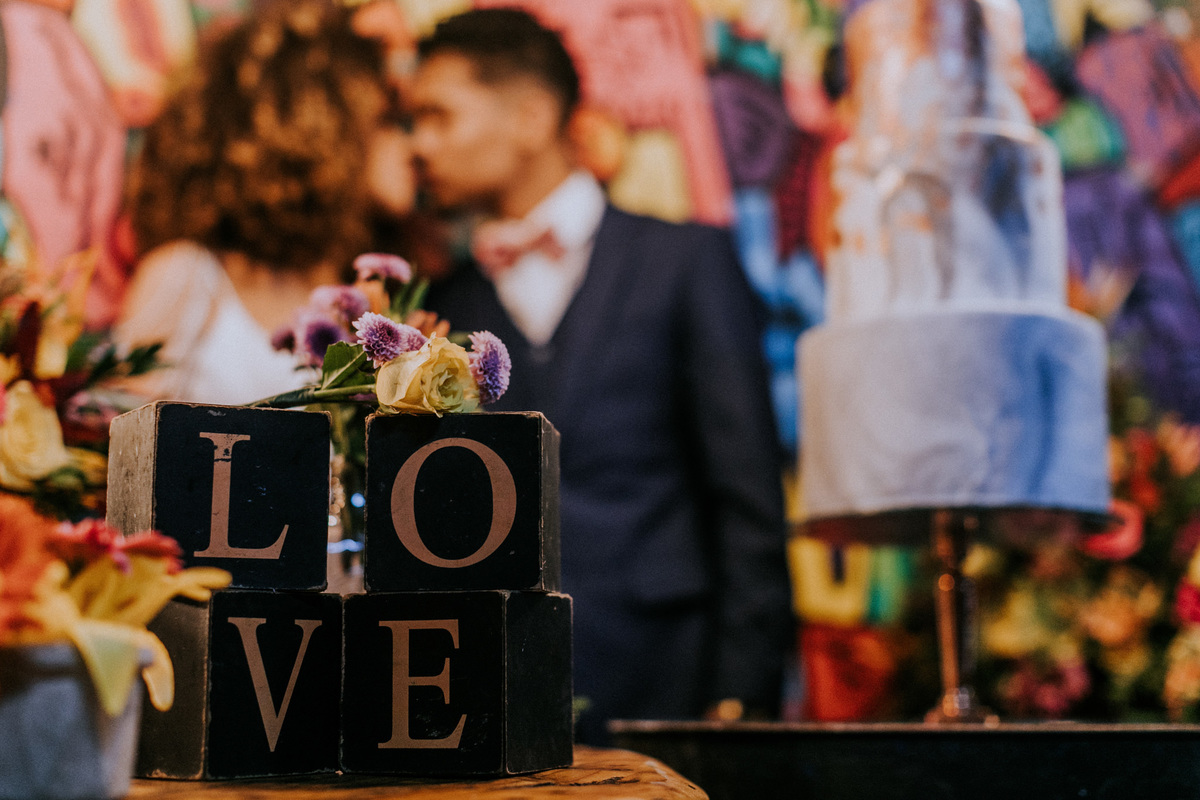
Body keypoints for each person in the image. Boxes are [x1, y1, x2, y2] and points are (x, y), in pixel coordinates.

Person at [409, 8, 793, 743]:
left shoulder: (686, 262)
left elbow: (748, 500)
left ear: (532, 117)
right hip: (494, 702)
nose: (419, 144)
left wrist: (741, 699)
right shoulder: (437, 309)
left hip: (669, 680)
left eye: (438, 115)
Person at [114, 0, 418, 405]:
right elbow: (122, 436)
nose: (413, 145)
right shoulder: (189, 276)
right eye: (390, 120)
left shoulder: (367, 298)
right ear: (323, 132)